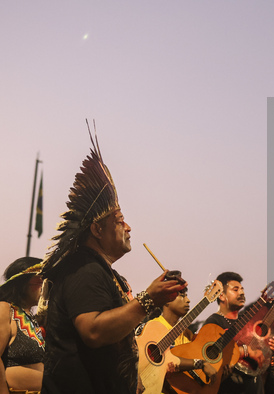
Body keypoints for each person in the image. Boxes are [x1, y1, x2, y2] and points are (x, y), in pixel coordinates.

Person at [40, 132, 185, 394]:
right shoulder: (83, 268)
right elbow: (93, 331)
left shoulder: (106, 272)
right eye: (120, 219)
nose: (128, 227)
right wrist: (148, 300)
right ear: (97, 229)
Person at [202, 271, 274, 394]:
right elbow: (207, 357)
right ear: (221, 296)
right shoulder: (213, 322)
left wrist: (269, 348)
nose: (242, 293)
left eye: (242, 289)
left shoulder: (248, 323)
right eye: (235, 289)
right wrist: (245, 351)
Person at [0, 257, 45, 393]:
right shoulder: (3, 309)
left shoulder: (30, 317)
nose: (44, 285)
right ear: (22, 283)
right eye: (40, 279)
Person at [136, 284, 217, 393]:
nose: (188, 300)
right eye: (182, 296)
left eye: (187, 296)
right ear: (167, 301)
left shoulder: (188, 335)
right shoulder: (152, 327)